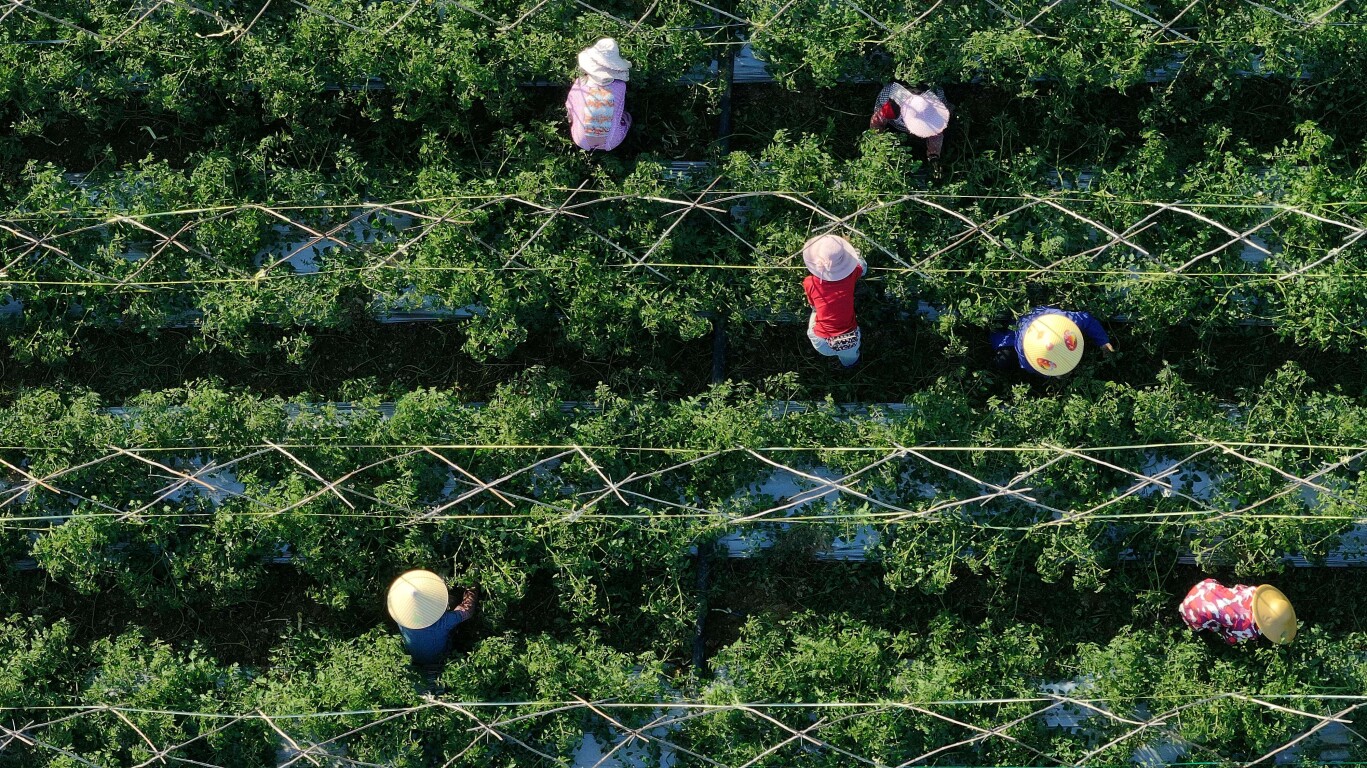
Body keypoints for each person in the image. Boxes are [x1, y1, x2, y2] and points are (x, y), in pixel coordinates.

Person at [990, 306, 1115, 377]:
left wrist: (1103, 341)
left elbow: (1087, 320)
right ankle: (992, 330)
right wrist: (1056, 373)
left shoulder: (1066, 320)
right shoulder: (1025, 353)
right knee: (1003, 359)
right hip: (1012, 332)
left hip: (1032, 312)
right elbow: (1033, 368)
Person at [386, 569, 477, 666]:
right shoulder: (440, 623)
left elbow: (418, 616)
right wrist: (472, 587)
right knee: (452, 601)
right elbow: (467, 610)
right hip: (439, 658)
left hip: (415, 658)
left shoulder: (401, 616)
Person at [803, 234, 867, 369]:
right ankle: (849, 365)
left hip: (822, 342)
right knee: (850, 358)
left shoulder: (810, 282)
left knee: (815, 309)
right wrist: (856, 255)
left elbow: (812, 303)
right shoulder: (851, 274)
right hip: (849, 341)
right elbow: (863, 267)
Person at [1180, 578, 1297, 645]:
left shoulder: (1253, 592)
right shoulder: (1247, 628)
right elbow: (1230, 637)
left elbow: (1238, 588)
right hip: (1191, 612)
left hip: (1205, 586)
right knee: (1216, 623)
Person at [566, 38, 633, 152]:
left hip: (580, 140)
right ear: (614, 69)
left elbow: (570, 106)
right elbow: (619, 111)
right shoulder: (620, 86)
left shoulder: (580, 84)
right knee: (626, 117)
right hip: (611, 142)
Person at [869, 82, 951, 164]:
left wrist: (934, 154)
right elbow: (876, 122)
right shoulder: (892, 107)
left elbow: (936, 132)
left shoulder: (935, 99)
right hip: (893, 103)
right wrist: (879, 142)